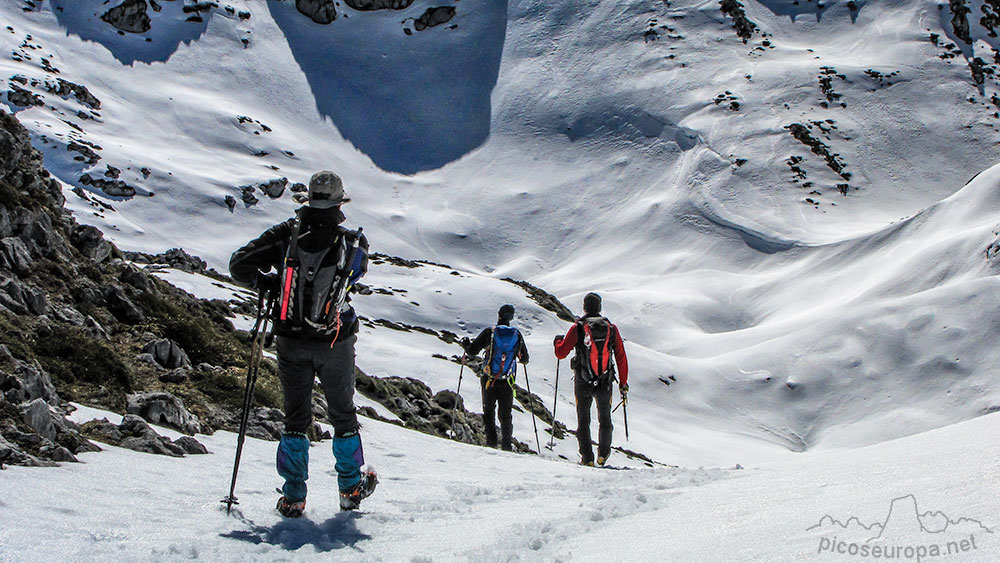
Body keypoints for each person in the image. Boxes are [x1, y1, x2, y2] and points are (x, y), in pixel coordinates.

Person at [229, 170, 377, 516]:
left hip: (290, 339)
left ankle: (294, 495)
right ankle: (350, 488)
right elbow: (357, 273)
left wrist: (268, 282)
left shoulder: (285, 235)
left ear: (308, 199)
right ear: (340, 203)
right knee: (343, 414)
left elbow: (238, 265)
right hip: (335, 341)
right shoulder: (353, 243)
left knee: (296, 417)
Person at [553, 293, 628, 466]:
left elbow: (561, 353)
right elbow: (621, 357)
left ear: (584, 307)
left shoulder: (578, 327)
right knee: (605, 418)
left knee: (583, 420)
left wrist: (557, 341)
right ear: (600, 307)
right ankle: (603, 454)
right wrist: (623, 384)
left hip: (583, 380)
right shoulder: (611, 328)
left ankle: (587, 458)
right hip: (605, 380)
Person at [461, 304, 529, 451]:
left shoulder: (490, 332)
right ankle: (506, 446)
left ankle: (491, 444)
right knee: (506, 416)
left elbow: (472, 351)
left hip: (489, 379)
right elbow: (525, 359)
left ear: (499, 315)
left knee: (489, 412)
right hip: (507, 381)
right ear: (511, 318)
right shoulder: (517, 335)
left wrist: (465, 345)